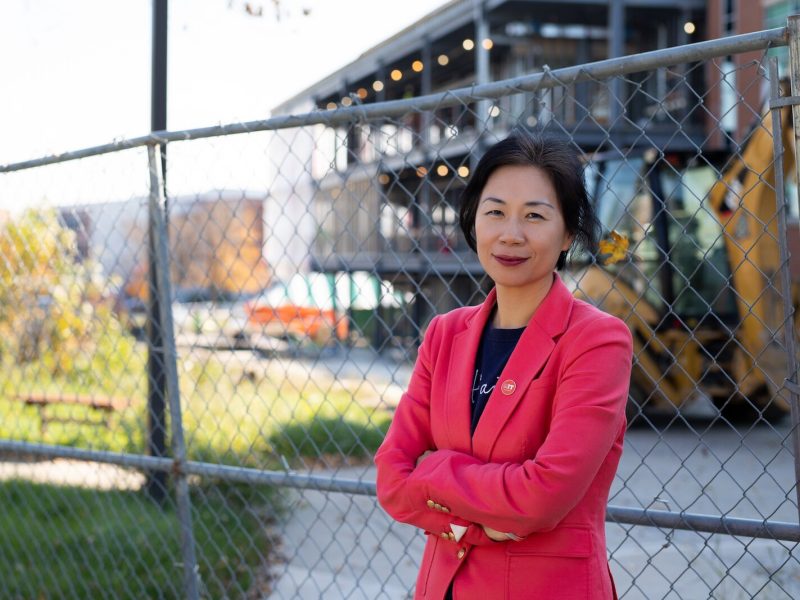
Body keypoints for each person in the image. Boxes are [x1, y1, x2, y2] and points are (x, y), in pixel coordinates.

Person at [374, 130, 633, 599]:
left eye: (534, 215)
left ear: (569, 232)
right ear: (474, 222)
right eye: (495, 212)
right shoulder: (444, 335)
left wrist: (434, 472)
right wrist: (475, 527)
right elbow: (392, 479)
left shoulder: (596, 340)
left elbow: (543, 496)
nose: (511, 234)